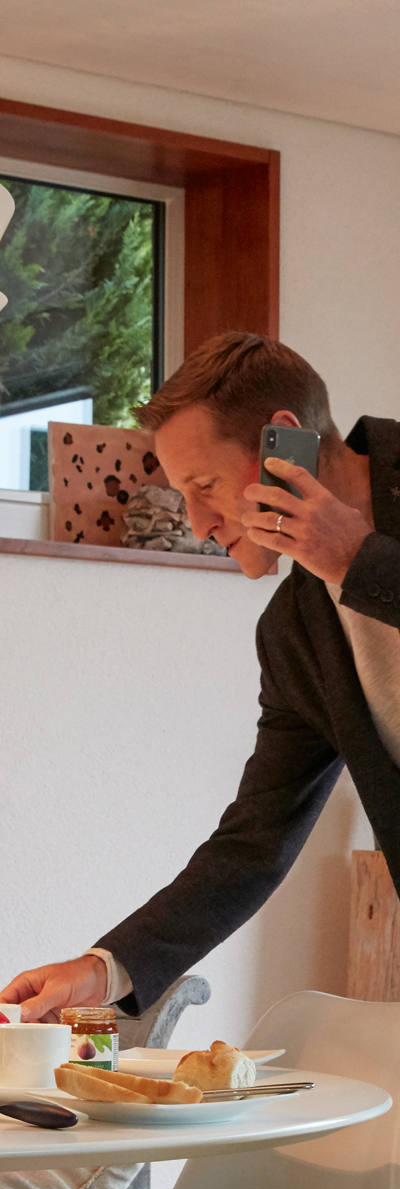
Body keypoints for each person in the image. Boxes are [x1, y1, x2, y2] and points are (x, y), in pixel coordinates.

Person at [2, 328, 400, 1024]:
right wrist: (104, 970)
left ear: (286, 443)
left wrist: (357, 563)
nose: (198, 522)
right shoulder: (294, 631)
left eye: (206, 485)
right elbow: (255, 840)